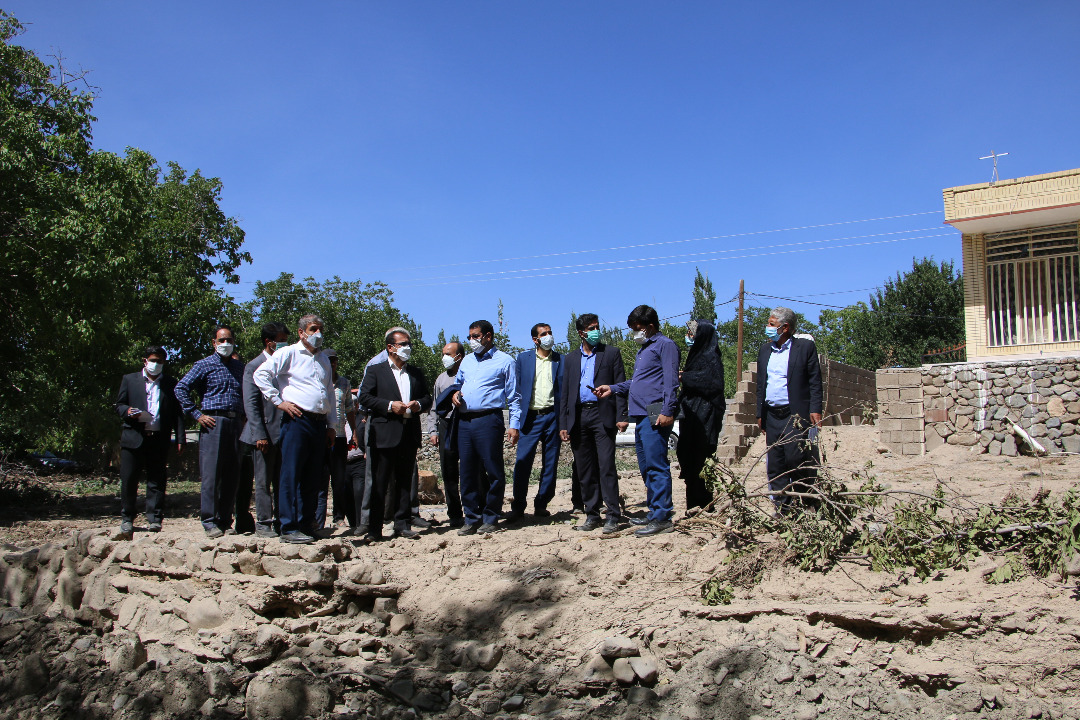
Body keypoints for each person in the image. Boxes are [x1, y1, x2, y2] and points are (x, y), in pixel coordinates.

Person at [595, 305, 680, 537]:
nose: (635, 332)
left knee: (656, 466)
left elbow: (671, 381)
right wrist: (612, 388)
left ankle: (662, 516)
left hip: (655, 413)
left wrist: (667, 409)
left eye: (638, 328)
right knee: (645, 466)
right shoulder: (644, 349)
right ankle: (654, 512)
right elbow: (638, 382)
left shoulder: (666, 345)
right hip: (641, 415)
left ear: (650, 326)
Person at [254, 314, 337, 544]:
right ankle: (288, 526)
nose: (317, 333)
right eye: (313, 329)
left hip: (319, 423)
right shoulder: (288, 353)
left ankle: (305, 523)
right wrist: (278, 401)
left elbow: (328, 392)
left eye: (320, 329)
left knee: (312, 476)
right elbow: (260, 374)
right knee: (291, 474)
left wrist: (332, 425)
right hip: (297, 420)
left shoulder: (322, 360)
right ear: (301, 332)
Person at [358, 328, 432, 541]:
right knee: (380, 482)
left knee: (404, 481)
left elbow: (427, 397)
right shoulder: (376, 370)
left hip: (409, 434)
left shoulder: (415, 373)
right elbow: (364, 397)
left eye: (409, 344)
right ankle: (374, 529)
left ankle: (403, 524)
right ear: (390, 347)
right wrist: (390, 406)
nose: (407, 348)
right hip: (384, 434)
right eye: (403, 344)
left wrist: (418, 404)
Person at [559, 314, 628, 533]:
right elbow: (565, 394)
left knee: (606, 465)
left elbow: (621, 387)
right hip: (579, 417)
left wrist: (622, 415)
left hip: (602, 415)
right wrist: (563, 423)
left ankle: (613, 515)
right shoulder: (569, 359)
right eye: (591, 328)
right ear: (581, 333)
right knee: (584, 468)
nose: (596, 331)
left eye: (597, 327)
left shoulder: (611, 353)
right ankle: (592, 513)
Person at [175, 325, 245, 538]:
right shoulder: (204, 365)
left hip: (236, 424)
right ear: (214, 343)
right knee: (211, 474)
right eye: (221, 340)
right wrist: (197, 414)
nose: (225, 344)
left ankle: (225, 520)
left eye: (229, 340)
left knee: (232, 475)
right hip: (213, 422)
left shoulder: (239, 367)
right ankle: (209, 520)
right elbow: (181, 388)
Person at [452, 320, 521, 534]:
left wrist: (514, 425)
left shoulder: (505, 361)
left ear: (489, 336)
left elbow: (514, 396)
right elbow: (458, 383)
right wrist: (455, 393)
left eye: (476, 336)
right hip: (465, 420)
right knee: (468, 470)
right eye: (470, 337)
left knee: (493, 470)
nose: (472, 341)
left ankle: (491, 516)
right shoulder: (466, 362)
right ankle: (471, 517)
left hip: (489, 420)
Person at [755, 307, 822, 513]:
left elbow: (815, 381)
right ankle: (783, 509)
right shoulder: (765, 351)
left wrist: (816, 409)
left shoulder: (804, 347)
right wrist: (760, 413)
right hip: (773, 416)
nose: (768, 328)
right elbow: (761, 385)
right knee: (775, 463)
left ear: (785, 328)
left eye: (772, 324)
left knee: (797, 458)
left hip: (795, 415)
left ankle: (807, 502)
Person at [115, 345, 186, 536]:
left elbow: (177, 413)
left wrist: (180, 437)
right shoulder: (130, 380)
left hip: (158, 438)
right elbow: (120, 404)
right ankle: (127, 518)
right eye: (153, 360)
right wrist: (127, 411)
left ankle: (155, 518)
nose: (156, 364)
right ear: (145, 361)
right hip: (134, 437)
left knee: (156, 480)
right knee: (129, 479)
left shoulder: (170, 384)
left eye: (160, 361)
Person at [238, 322, 289, 538]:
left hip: (284, 433)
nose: (285, 344)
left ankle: (281, 521)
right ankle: (263, 523)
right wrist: (259, 434)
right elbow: (251, 404)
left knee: (281, 481)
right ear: (269, 342)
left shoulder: (286, 364)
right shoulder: (254, 366)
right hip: (263, 435)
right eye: (281, 340)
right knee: (263, 481)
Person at [508, 323, 562, 521]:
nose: (548, 336)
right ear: (535, 339)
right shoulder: (523, 359)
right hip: (529, 418)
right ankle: (518, 506)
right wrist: (515, 422)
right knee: (522, 462)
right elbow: (516, 390)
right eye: (544, 334)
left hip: (552, 418)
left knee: (550, 463)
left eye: (550, 332)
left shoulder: (560, 360)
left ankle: (542, 503)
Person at [676, 319, 727, 513]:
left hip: (705, 416)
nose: (689, 337)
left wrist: (685, 377)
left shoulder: (711, 357)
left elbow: (712, 383)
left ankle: (705, 506)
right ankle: (693, 507)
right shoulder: (696, 356)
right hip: (692, 415)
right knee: (689, 459)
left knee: (701, 462)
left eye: (692, 333)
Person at [426, 341, 467, 527]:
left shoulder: (470, 375)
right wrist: (433, 430)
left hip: (466, 423)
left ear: (459, 356)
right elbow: (434, 407)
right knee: (449, 471)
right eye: (443, 354)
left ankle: (476, 509)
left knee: (471, 469)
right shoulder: (441, 379)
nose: (444, 358)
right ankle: (455, 513)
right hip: (446, 425)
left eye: (448, 354)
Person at [321, 348, 356, 532]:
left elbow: (349, 409)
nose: (332, 363)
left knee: (339, 479)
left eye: (334, 360)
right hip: (321, 435)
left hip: (340, 436)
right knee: (321, 478)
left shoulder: (344, 383)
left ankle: (338, 516)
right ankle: (318, 517)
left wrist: (355, 432)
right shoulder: (317, 380)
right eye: (329, 360)